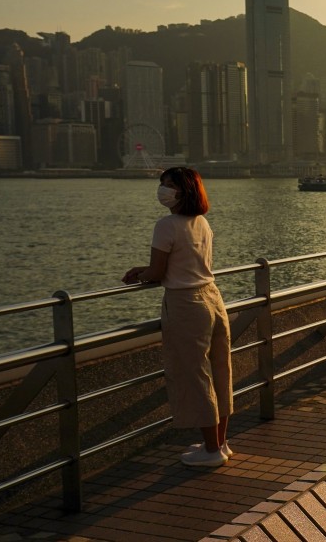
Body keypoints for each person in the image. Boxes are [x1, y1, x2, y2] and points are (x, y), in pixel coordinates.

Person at [122, 167, 233, 467]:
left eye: (169, 185)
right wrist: (146, 270)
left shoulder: (166, 225)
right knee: (219, 371)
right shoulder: (202, 223)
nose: (162, 189)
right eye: (162, 184)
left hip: (185, 304)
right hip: (212, 297)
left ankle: (211, 451)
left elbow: (158, 272)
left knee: (195, 375)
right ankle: (220, 444)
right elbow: (185, 264)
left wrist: (140, 275)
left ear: (184, 190)